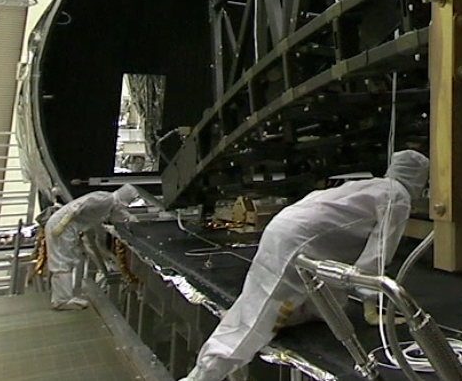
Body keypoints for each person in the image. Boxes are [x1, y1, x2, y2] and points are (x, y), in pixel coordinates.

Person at [179, 150, 430, 381]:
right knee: (255, 318)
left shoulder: (375, 185)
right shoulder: (398, 197)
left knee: (329, 304)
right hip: (297, 242)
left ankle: (285, 318)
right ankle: (202, 376)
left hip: (288, 229)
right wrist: (373, 303)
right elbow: (378, 253)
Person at [45, 184, 139, 310]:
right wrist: (62, 224)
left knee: (66, 262)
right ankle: (62, 301)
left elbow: (120, 214)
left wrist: (132, 219)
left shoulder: (111, 204)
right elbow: (76, 207)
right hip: (63, 227)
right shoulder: (103, 198)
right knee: (62, 263)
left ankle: (62, 298)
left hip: (70, 229)